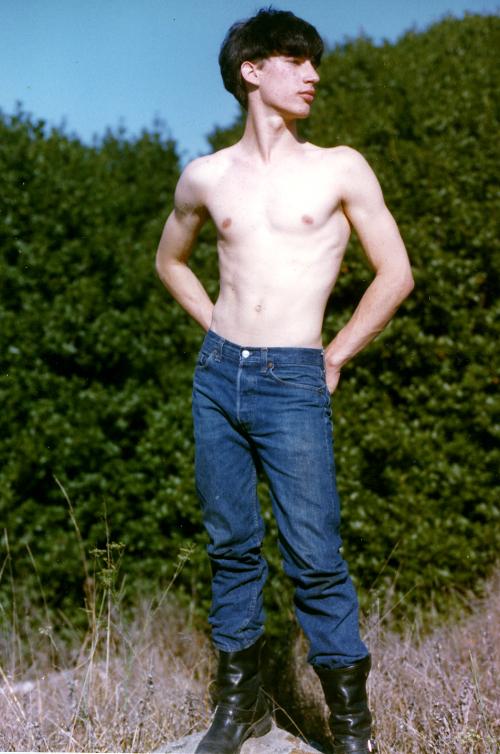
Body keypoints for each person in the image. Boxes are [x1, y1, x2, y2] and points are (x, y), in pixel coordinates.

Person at [155, 9, 413, 754]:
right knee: (232, 547)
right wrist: (214, 324)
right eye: (296, 60)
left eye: (313, 62)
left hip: (295, 378)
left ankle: (352, 731)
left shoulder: (340, 167)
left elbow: (396, 275)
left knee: (314, 557)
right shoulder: (205, 176)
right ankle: (240, 710)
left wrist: (335, 356)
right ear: (252, 70)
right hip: (218, 379)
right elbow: (169, 261)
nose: (313, 75)